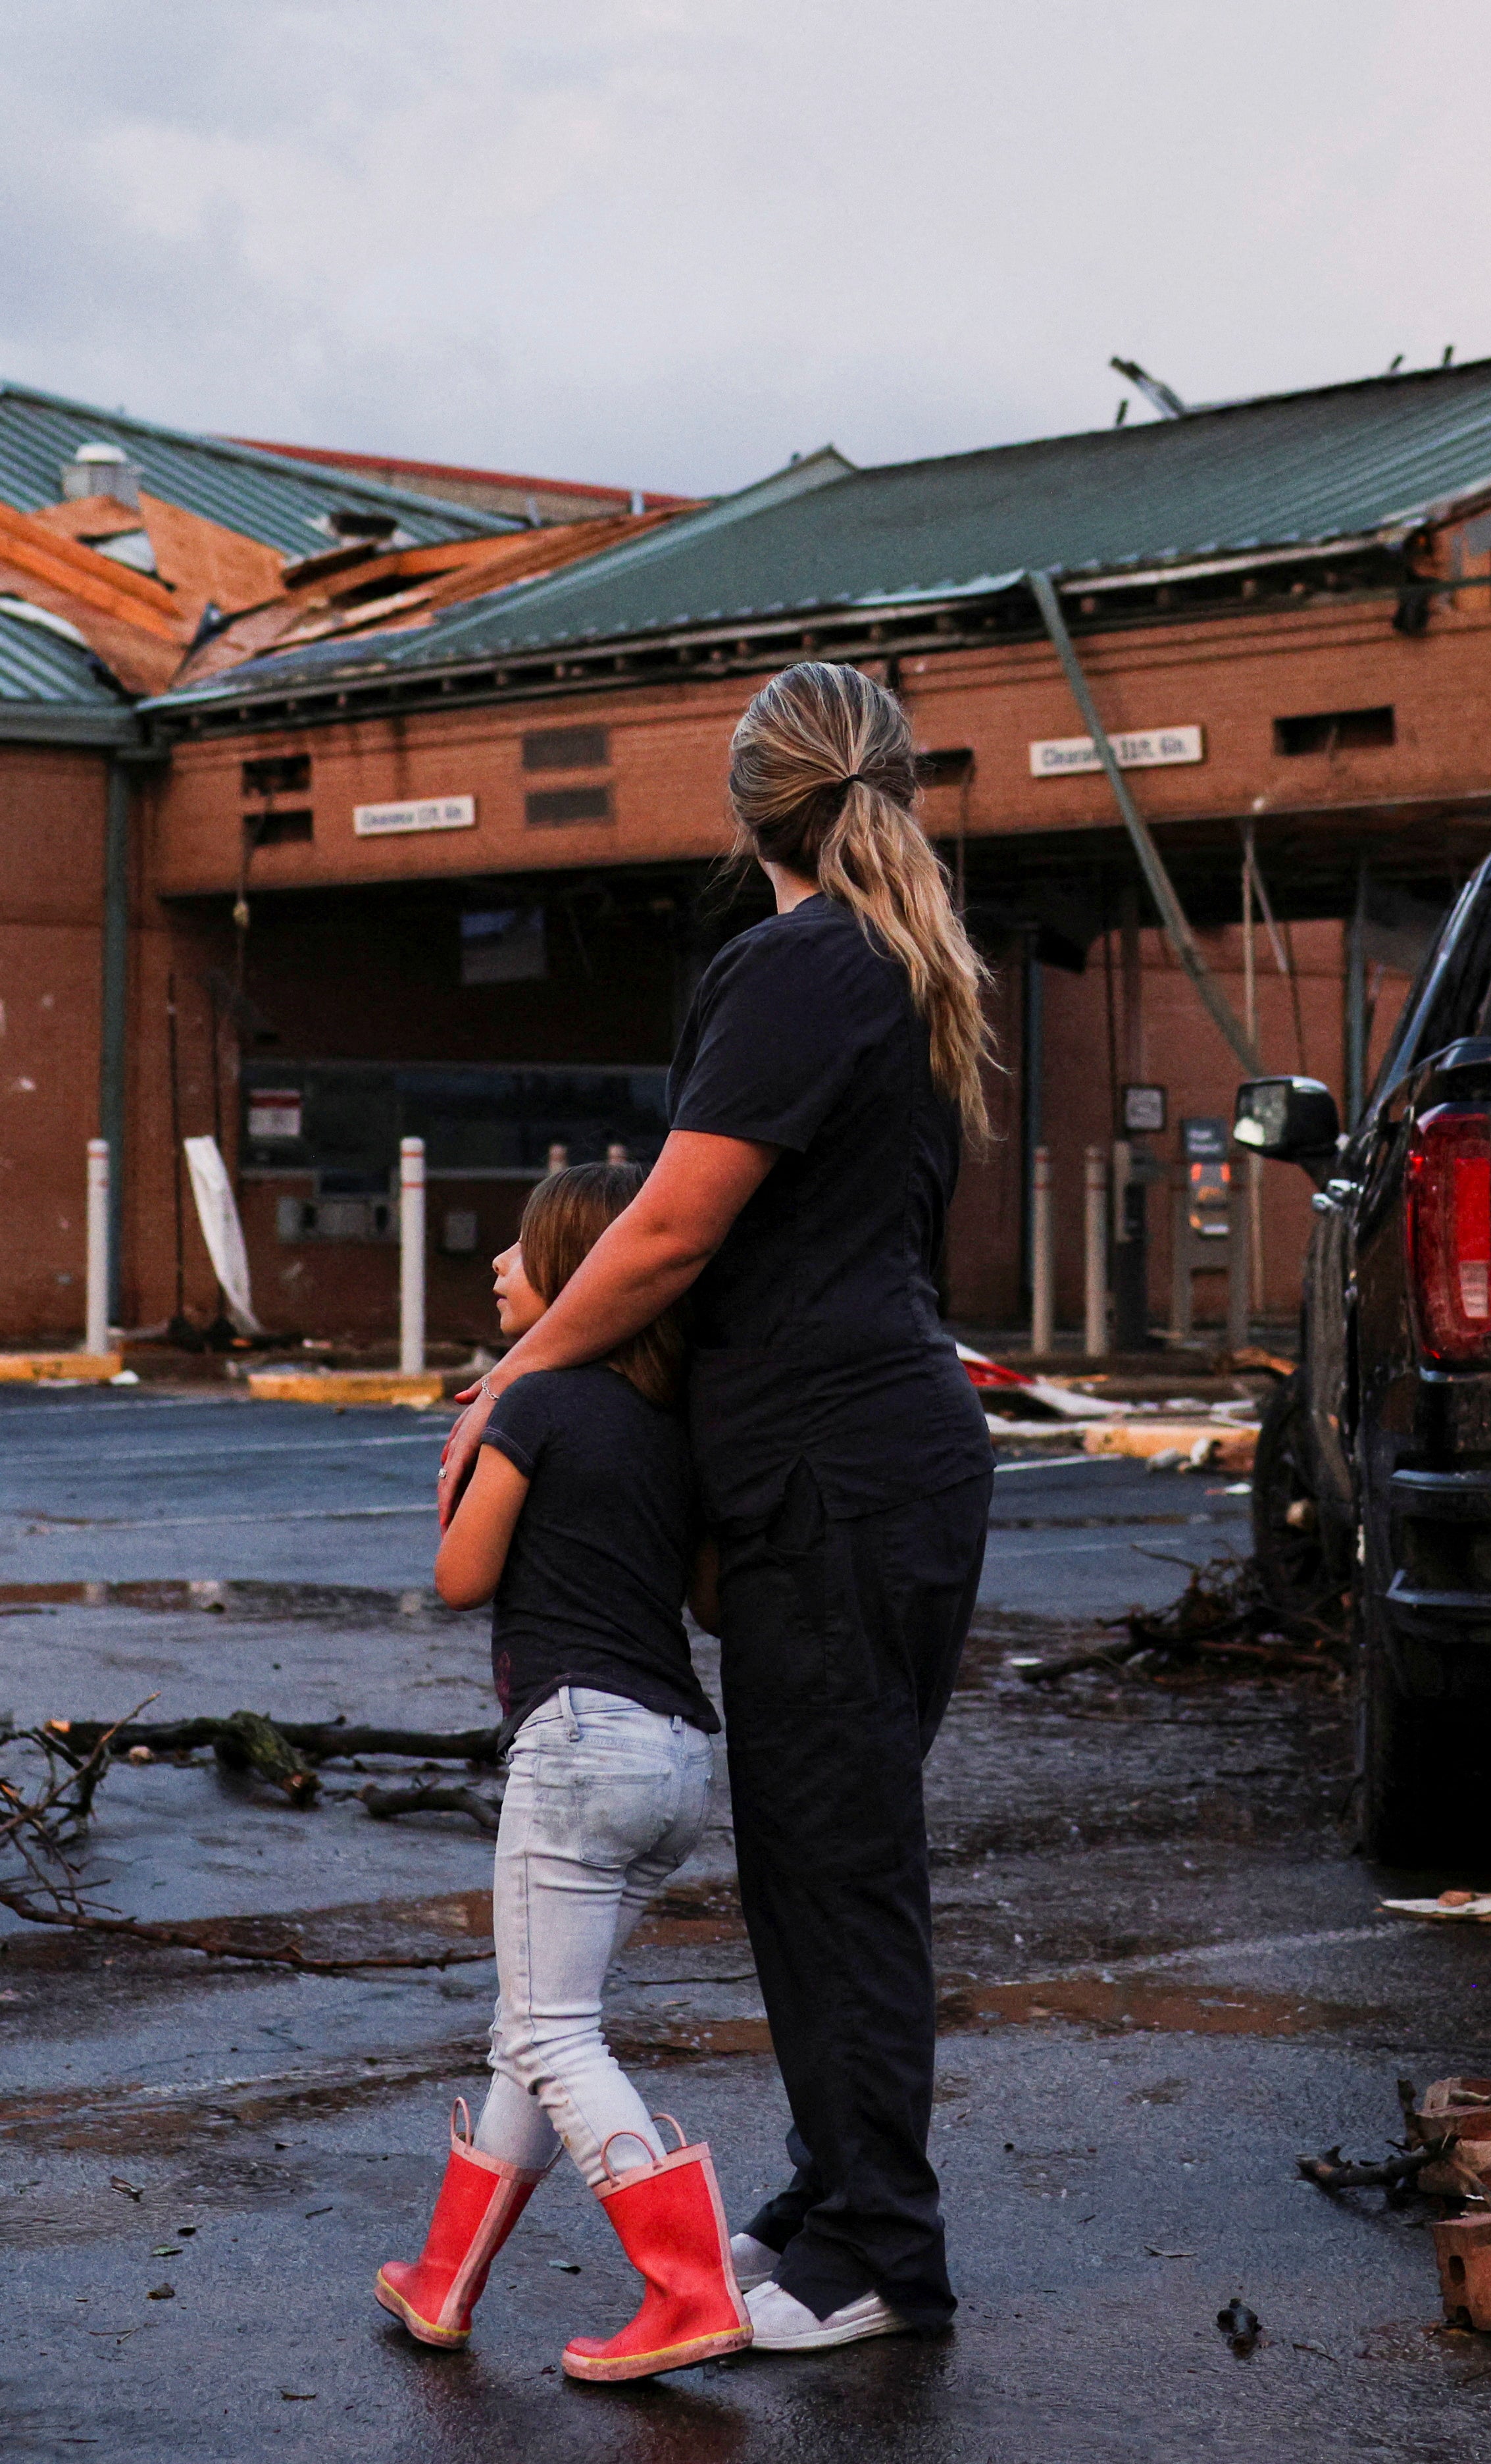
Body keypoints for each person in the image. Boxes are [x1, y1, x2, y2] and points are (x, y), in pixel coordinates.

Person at [437, 660, 998, 2353]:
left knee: (836, 1871)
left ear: (750, 807)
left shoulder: (800, 963)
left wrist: (516, 1382)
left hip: (837, 1475)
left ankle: (881, 2258)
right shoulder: (889, 962)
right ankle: (832, 2203)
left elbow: (673, 1232)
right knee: (821, 1862)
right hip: (870, 1459)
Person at [378, 1163, 749, 2381]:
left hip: (579, 1744)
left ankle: (688, 2290)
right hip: (679, 1758)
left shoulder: (535, 1404)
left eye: (521, 1251)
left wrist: (466, 1461)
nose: (497, 1268)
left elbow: (460, 1577)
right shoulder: (678, 1421)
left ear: (580, 1276)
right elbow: (705, 1596)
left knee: (552, 2031)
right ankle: (445, 2281)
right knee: (530, 2030)